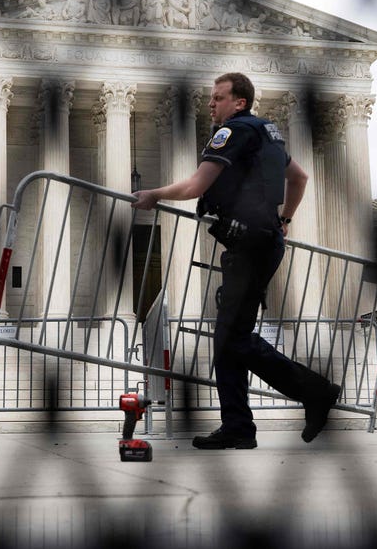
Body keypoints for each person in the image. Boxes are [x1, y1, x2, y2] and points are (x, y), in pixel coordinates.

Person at [132, 72, 341, 449]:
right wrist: (285, 220)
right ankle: (238, 427)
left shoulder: (233, 132)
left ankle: (316, 391)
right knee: (228, 338)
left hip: (249, 246)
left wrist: (155, 194)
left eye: (218, 98)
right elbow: (300, 178)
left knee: (233, 338)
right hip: (264, 241)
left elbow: (196, 185)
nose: (211, 104)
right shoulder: (268, 133)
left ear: (239, 102)